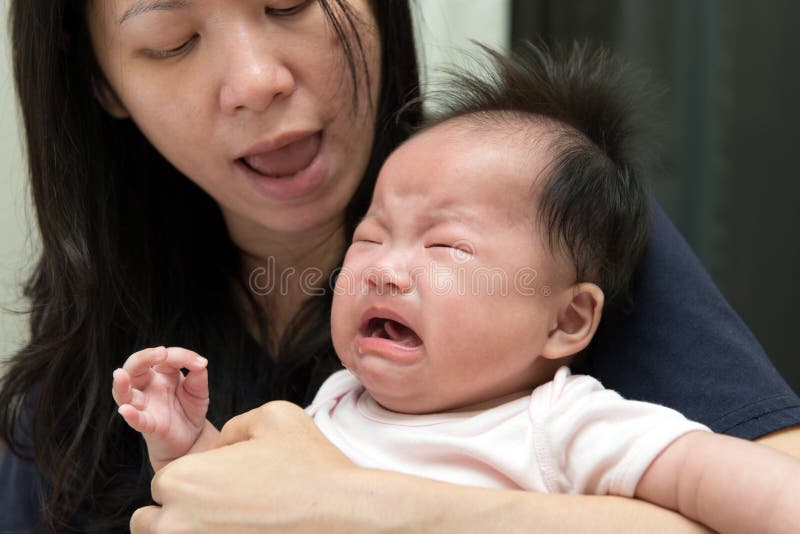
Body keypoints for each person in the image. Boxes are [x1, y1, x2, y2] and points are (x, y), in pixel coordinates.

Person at [1, 1, 798, 532]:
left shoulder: (552, 241)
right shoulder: (346, 396)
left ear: (567, 318)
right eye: (171, 40)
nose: (255, 82)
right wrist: (184, 449)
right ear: (101, 78)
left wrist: (356, 507)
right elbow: (230, 501)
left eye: (287, 1)